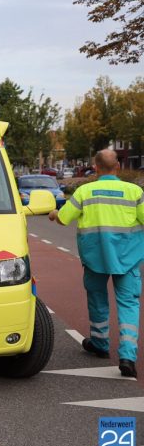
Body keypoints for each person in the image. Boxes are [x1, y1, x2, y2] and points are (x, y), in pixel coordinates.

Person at [49, 149, 144, 378]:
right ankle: (128, 356)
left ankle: (100, 344)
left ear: (96, 167)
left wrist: (53, 213)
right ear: (118, 167)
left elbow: (63, 218)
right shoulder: (135, 192)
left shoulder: (85, 192)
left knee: (97, 299)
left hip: (95, 258)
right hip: (128, 259)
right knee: (129, 304)